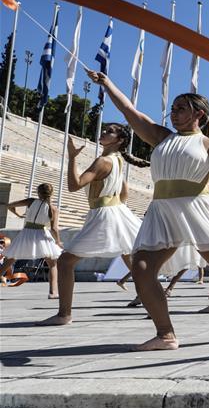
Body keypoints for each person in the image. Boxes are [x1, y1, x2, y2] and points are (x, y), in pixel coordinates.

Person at [86, 69, 209, 350]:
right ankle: (166, 334)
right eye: (172, 109)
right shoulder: (161, 137)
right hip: (161, 210)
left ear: (199, 115)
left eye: (180, 109)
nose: (173, 113)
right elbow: (128, 110)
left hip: (195, 210)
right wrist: (107, 82)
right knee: (141, 268)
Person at [37, 128, 148, 325]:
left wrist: (72, 158)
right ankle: (151, 303)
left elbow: (75, 185)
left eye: (110, 131)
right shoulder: (117, 159)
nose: (104, 132)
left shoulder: (103, 161)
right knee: (134, 260)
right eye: (105, 129)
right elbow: (124, 193)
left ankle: (64, 314)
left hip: (104, 214)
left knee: (65, 262)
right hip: (115, 211)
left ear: (120, 140)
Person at [1, 183, 63, 297]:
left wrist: (18, 215)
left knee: (11, 258)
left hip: (27, 232)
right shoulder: (53, 208)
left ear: (38, 192)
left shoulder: (30, 201)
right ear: (52, 193)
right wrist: (58, 241)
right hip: (42, 233)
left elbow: (10, 205)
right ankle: (53, 292)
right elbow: (54, 229)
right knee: (52, 264)